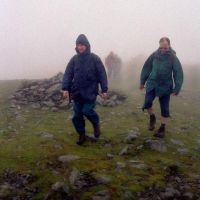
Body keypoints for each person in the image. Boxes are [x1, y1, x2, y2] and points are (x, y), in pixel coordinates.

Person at [62, 34, 108, 145]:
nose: (80, 47)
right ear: (76, 47)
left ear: (87, 45)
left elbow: (102, 73)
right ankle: (82, 135)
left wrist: (104, 89)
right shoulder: (74, 59)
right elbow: (68, 73)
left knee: (87, 111)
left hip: (90, 92)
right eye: (78, 45)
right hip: (77, 93)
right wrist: (65, 88)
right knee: (76, 116)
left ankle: (96, 124)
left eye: (82, 45)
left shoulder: (94, 58)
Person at [140, 37, 184, 138]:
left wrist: (177, 87)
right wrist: (142, 81)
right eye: (161, 48)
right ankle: (152, 117)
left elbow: (178, 73)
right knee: (147, 103)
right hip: (152, 84)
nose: (163, 50)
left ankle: (162, 128)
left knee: (164, 108)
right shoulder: (154, 55)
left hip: (165, 86)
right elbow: (147, 67)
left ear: (169, 45)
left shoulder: (173, 58)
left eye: (165, 48)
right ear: (159, 46)